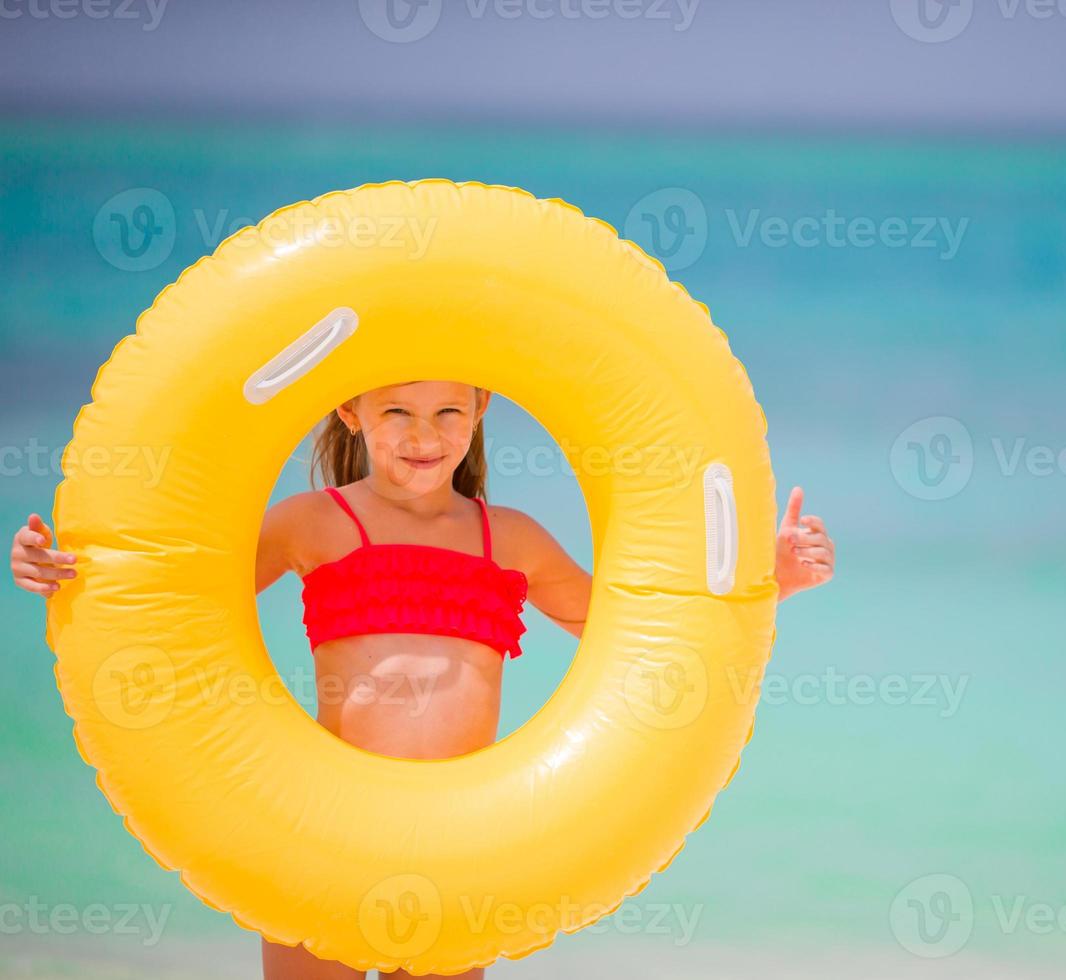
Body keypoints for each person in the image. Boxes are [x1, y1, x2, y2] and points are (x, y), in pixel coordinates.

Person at [9, 379, 835, 980]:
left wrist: (771, 578)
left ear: (479, 412)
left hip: (459, 834)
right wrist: (63, 569)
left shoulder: (506, 537)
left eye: (447, 411)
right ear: (350, 412)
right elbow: (172, 596)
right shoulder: (318, 522)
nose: (422, 433)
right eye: (396, 411)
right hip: (319, 826)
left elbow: (639, 631)